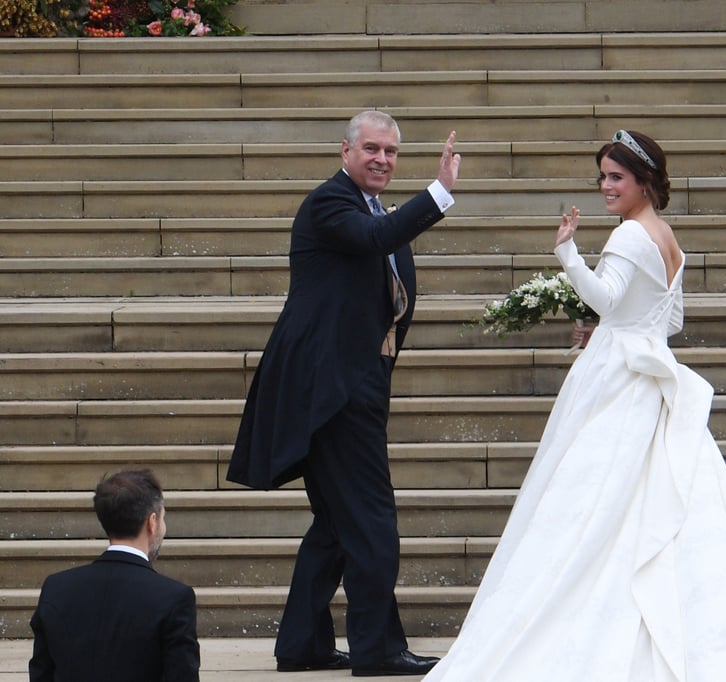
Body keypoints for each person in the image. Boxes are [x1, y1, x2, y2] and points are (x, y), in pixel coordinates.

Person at [421, 130, 726, 681]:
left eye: (616, 177)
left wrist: (568, 253)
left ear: (645, 181)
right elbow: (671, 321)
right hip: (650, 372)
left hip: (618, 380)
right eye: (602, 177)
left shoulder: (627, 237)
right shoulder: (667, 238)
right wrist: (620, 328)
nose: (605, 186)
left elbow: (607, 298)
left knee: (588, 505)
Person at [226, 110, 460, 677]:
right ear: (345, 151)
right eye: (372, 148)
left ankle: (302, 644)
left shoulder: (374, 208)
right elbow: (377, 240)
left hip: (357, 381)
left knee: (336, 524)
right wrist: (440, 193)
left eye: (392, 152)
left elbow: (389, 285)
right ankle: (378, 649)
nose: (382, 159)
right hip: (331, 388)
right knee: (372, 519)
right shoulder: (331, 204)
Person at [29, 469, 200, 682]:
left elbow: (41, 673)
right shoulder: (174, 598)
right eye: (163, 518)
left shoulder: (56, 587)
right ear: (152, 522)